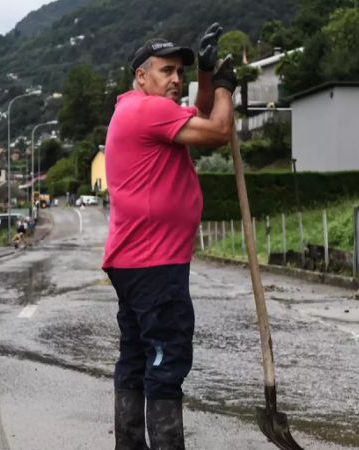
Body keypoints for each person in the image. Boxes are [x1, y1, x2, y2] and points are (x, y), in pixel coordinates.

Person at [103, 23, 237, 450]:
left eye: (181, 71)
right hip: (156, 264)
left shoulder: (134, 109)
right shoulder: (149, 110)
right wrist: (227, 90)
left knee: (138, 358)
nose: (176, 78)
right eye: (167, 70)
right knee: (167, 359)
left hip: (133, 261)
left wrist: (208, 75)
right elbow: (217, 131)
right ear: (142, 76)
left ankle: (129, 445)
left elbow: (195, 117)